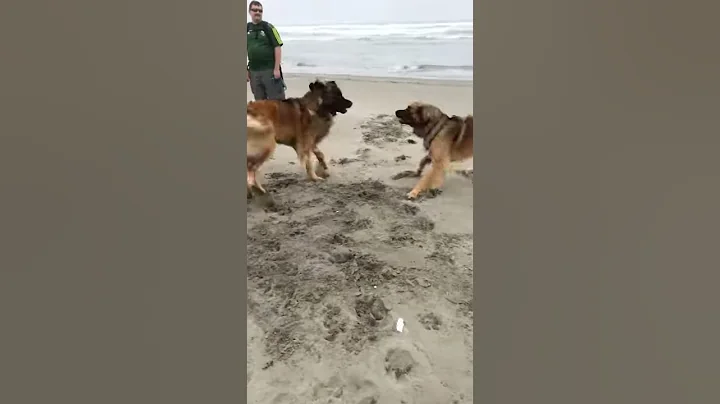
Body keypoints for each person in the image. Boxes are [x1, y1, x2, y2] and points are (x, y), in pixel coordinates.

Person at [246, 1, 286, 100]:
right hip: (254, 72)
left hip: (270, 70)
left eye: (260, 10)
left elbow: (277, 47)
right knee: (260, 104)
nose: (258, 12)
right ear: (249, 12)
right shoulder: (246, 28)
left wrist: (276, 69)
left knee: (277, 103)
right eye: (255, 10)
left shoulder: (269, 27)